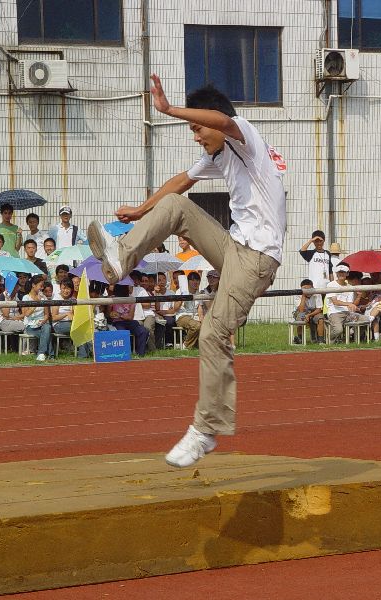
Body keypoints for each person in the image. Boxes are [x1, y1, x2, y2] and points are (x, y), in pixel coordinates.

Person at [86, 75, 285, 468]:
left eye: (197, 129)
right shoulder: (218, 155)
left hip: (259, 258)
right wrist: (142, 210)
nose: (196, 137)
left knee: (213, 333)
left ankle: (206, 430)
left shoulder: (244, 136)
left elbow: (224, 122)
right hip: (233, 248)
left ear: (214, 119)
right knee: (176, 206)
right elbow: (182, 181)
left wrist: (169, 110)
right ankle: (119, 257)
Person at [326, 267, 368, 342]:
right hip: (335, 312)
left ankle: (350, 338)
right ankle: (329, 339)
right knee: (338, 330)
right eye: (339, 272)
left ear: (347, 274)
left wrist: (358, 296)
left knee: (365, 320)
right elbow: (335, 302)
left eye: (343, 272)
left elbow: (351, 304)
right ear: (336, 273)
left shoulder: (350, 287)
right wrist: (349, 305)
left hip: (347, 313)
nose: (341, 274)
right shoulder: (331, 284)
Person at [109, 284, 149, 357]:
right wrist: (110, 309)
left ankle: (140, 354)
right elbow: (108, 314)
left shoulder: (131, 299)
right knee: (123, 332)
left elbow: (130, 317)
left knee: (143, 331)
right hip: (117, 322)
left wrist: (119, 315)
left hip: (130, 322)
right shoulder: (112, 299)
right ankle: (125, 354)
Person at [20, 274, 51, 361]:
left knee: (47, 327)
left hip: (42, 324)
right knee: (46, 334)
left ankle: (41, 353)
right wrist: (36, 302)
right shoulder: (26, 297)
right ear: (33, 285)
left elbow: (46, 314)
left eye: (43, 286)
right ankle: (49, 354)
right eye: (40, 286)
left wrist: (44, 320)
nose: (42, 288)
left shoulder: (43, 298)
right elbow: (26, 314)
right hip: (30, 325)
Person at [293, 279, 325, 344]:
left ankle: (321, 340)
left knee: (320, 319)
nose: (307, 291)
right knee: (300, 319)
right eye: (304, 289)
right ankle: (300, 339)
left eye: (309, 289)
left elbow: (319, 309)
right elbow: (300, 310)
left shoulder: (317, 293)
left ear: (312, 288)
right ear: (301, 288)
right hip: (301, 311)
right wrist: (303, 296)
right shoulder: (298, 294)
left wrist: (309, 315)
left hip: (314, 311)